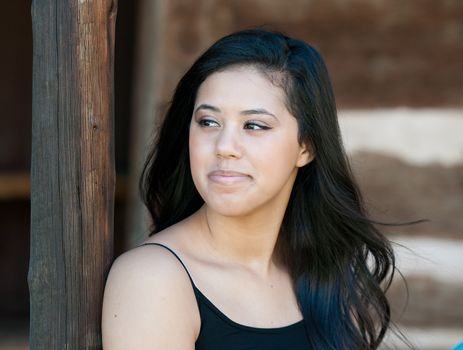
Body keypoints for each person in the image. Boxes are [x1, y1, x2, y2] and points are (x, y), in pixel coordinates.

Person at [102, 29, 400, 349]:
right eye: (208, 122)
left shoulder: (328, 277)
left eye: (254, 126)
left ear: (305, 147)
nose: (225, 147)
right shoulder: (152, 279)